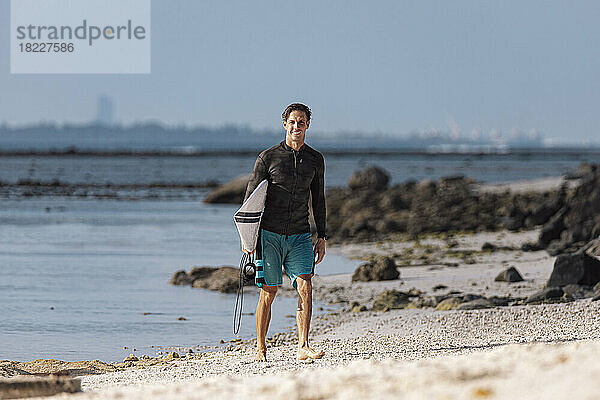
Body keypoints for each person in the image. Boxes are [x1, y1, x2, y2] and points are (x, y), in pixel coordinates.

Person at [244, 103, 327, 362]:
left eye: (301, 122)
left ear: (307, 125)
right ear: (284, 124)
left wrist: (322, 236)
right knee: (268, 292)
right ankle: (260, 348)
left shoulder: (315, 160)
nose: (296, 126)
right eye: (292, 122)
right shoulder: (268, 158)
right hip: (270, 234)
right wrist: (248, 240)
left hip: (301, 234)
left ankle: (303, 345)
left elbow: (319, 199)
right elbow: (250, 200)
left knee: (305, 286)